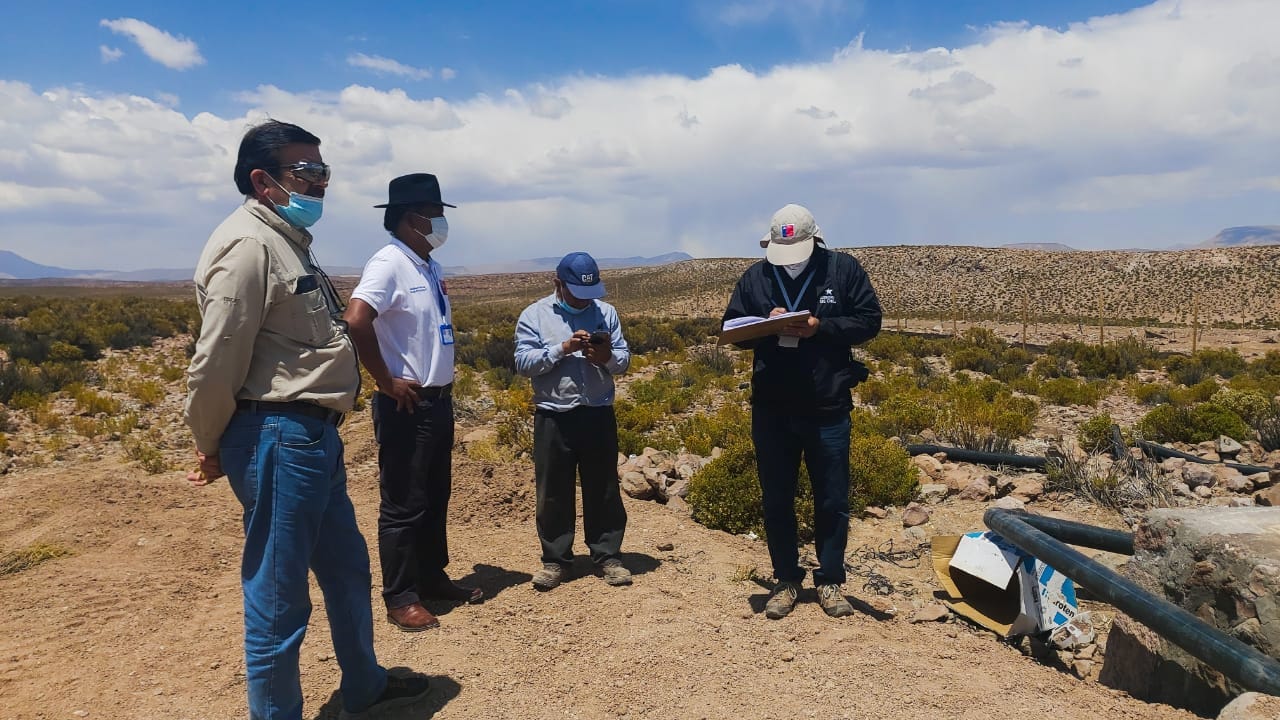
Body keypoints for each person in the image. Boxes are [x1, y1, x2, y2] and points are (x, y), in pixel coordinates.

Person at [184, 120, 429, 719]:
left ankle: (364, 684)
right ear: (263, 180)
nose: (320, 183)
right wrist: (209, 442)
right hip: (275, 435)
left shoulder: (287, 240)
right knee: (278, 596)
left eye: (324, 172)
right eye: (307, 172)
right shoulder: (247, 247)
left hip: (311, 437)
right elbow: (216, 360)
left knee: (347, 569)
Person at [721, 204, 882, 620]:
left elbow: (869, 322)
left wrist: (821, 327)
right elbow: (732, 329)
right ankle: (786, 578)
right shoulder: (755, 277)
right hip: (773, 408)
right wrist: (764, 324)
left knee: (832, 498)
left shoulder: (843, 271)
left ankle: (829, 580)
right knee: (777, 498)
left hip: (827, 405)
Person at [343, 173, 481, 633]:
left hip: (438, 402)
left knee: (434, 493)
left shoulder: (427, 264)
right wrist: (384, 380)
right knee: (403, 502)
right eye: (434, 213)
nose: (441, 222)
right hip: (408, 404)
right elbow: (357, 319)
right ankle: (401, 596)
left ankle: (431, 576)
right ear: (408, 219)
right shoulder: (388, 263)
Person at [514, 252, 633, 591]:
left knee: (604, 487)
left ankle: (608, 555)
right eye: (578, 292)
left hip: (597, 411)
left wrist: (607, 357)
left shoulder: (605, 313)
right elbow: (523, 362)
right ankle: (555, 560)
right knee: (553, 490)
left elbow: (623, 358)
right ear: (558, 284)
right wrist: (562, 349)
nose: (585, 299)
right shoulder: (534, 315)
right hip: (554, 414)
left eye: (591, 292)